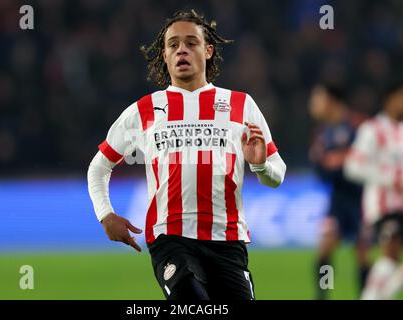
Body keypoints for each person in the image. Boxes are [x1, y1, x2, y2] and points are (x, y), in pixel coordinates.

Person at [87, 10, 286, 300]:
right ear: (165, 56)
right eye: (173, 44)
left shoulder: (241, 105)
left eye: (191, 43)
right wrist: (105, 214)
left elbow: (277, 175)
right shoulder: (144, 110)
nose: (182, 49)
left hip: (227, 240)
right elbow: (99, 166)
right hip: (171, 239)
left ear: (208, 51)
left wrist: (260, 166)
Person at [344, 82, 403, 300]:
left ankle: (377, 295)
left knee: (392, 259)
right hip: (384, 206)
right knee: (391, 251)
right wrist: (389, 178)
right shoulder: (372, 130)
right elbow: (352, 167)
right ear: (390, 99)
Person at [308, 83, 367, 300]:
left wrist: (342, 159)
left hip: (361, 198)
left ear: (331, 101)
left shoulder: (357, 124)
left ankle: (366, 295)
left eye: (317, 99)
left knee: (363, 252)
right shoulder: (322, 133)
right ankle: (323, 295)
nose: (313, 104)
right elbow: (322, 172)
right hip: (338, 199)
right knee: (325, 248)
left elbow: (368, 154)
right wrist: (323, 162)